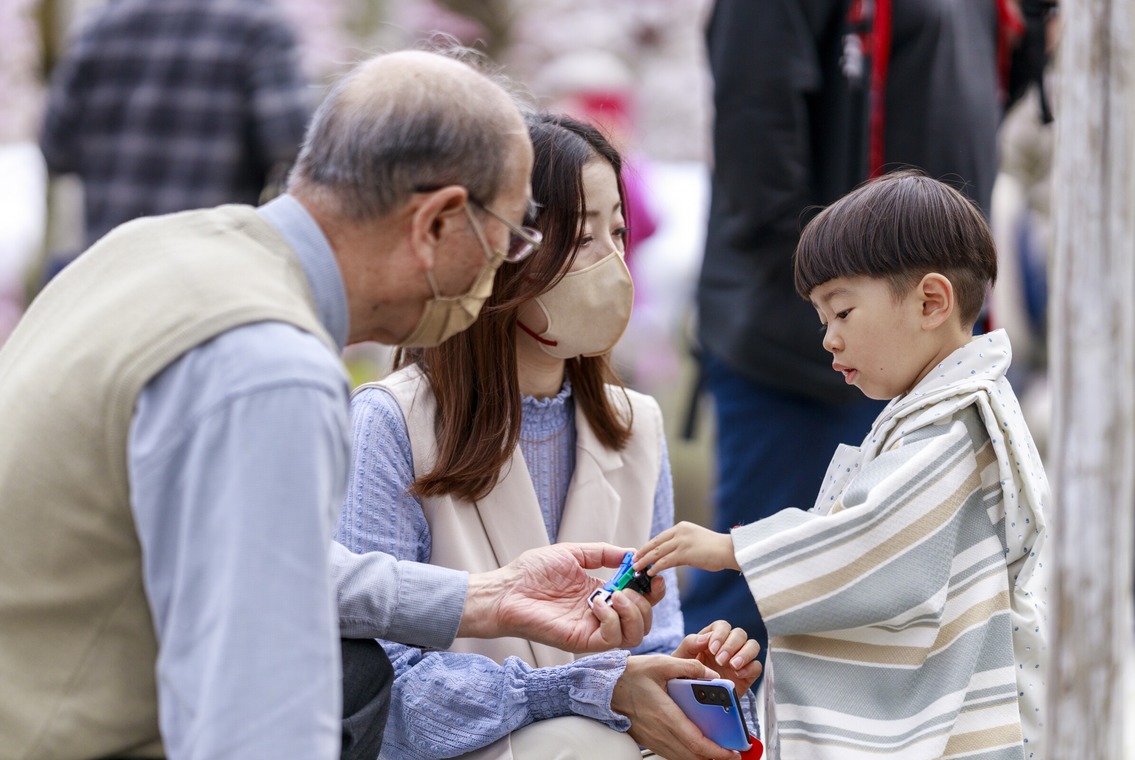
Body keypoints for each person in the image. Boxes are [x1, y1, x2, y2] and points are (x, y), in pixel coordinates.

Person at [0, 50, 663, 760]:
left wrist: (479, 598)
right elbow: (256, 713)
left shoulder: (145, 251)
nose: (505, 266)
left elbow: (252, 555)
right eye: (511, 236)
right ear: (438, 222)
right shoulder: (270, 365)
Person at [337, 112, 761, 760]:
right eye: (583, 236)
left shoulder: (636, 426)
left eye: (618, 231)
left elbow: (644, 647)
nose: (613, 262)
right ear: (501, 249)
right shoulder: (391, 422)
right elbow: (385, 691)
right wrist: (594, 690)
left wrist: (686, 675)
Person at [636, 172, 1049, 759]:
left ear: (931, 301)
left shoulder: (954, 425)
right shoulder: (947, 408)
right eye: (822, 320)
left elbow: (872, 537)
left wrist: (733, 549)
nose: (828, 339)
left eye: (843, 312)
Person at [685, 0, 1023, 658]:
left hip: (925, 339)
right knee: (750, 616)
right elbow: (759, 150)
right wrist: (842, 306)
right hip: (806, 355)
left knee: (921, 614)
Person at [39, 0, 313, 252]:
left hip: (111, 264)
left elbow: (56, 150)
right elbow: (293, 145)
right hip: (209, 261)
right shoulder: (258, 24)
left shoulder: (101, 25)